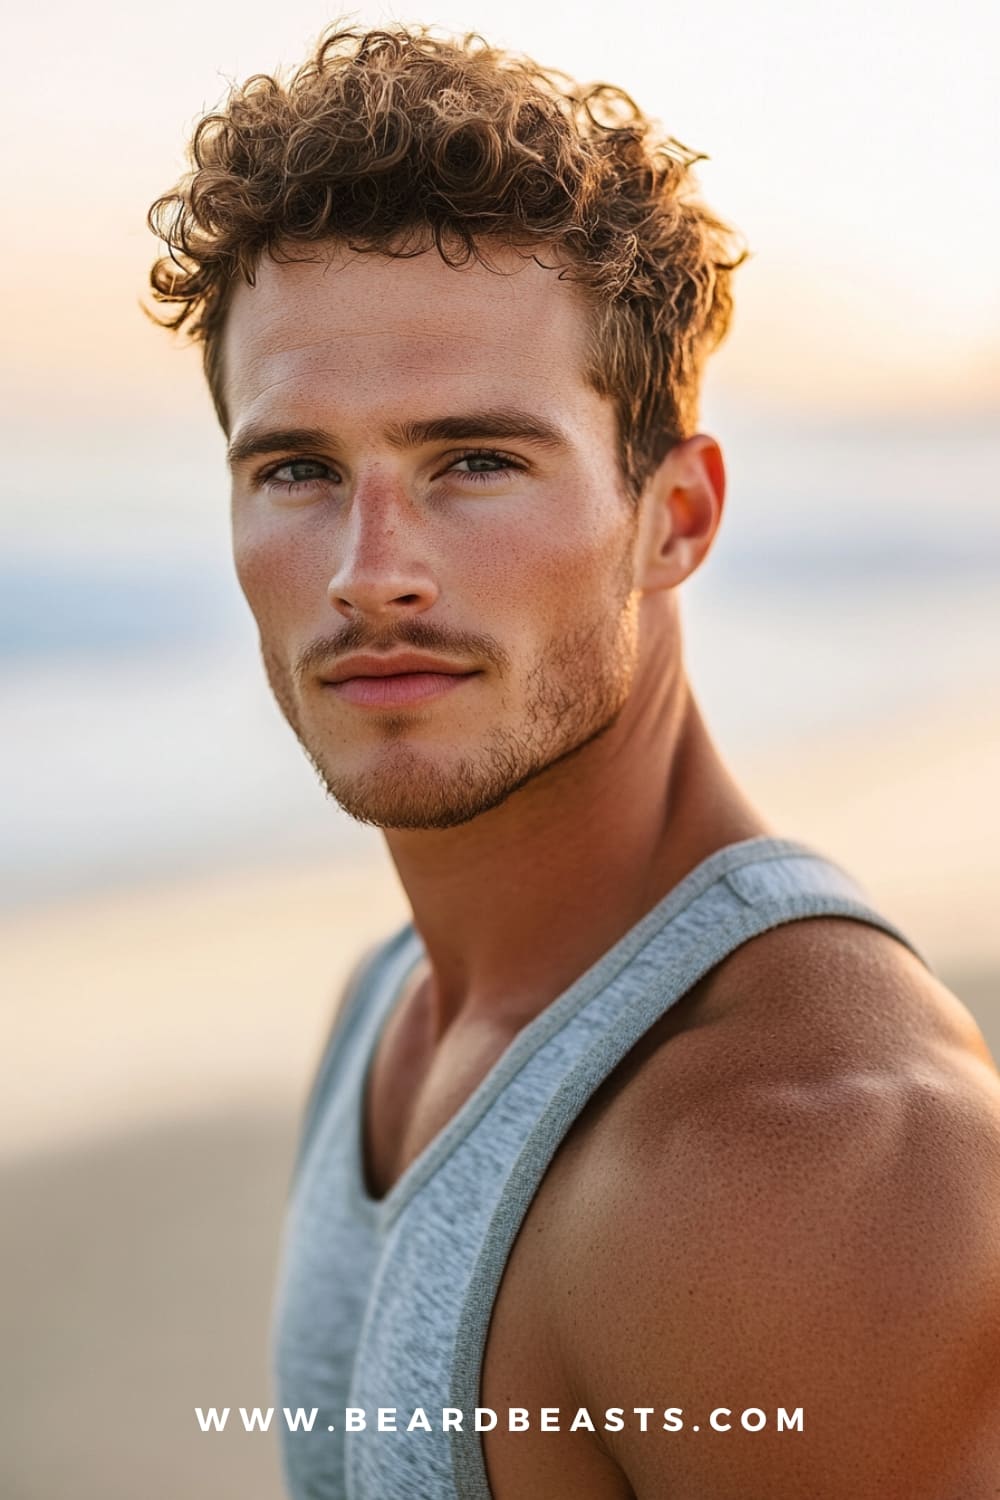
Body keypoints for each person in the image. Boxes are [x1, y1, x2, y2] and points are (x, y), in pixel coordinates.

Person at [146, 24, 1000, 1499]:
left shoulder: (800, 1160)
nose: (370, 574)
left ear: (675, 515)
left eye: (476, 460)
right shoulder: (393, 1007)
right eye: (300, 470)